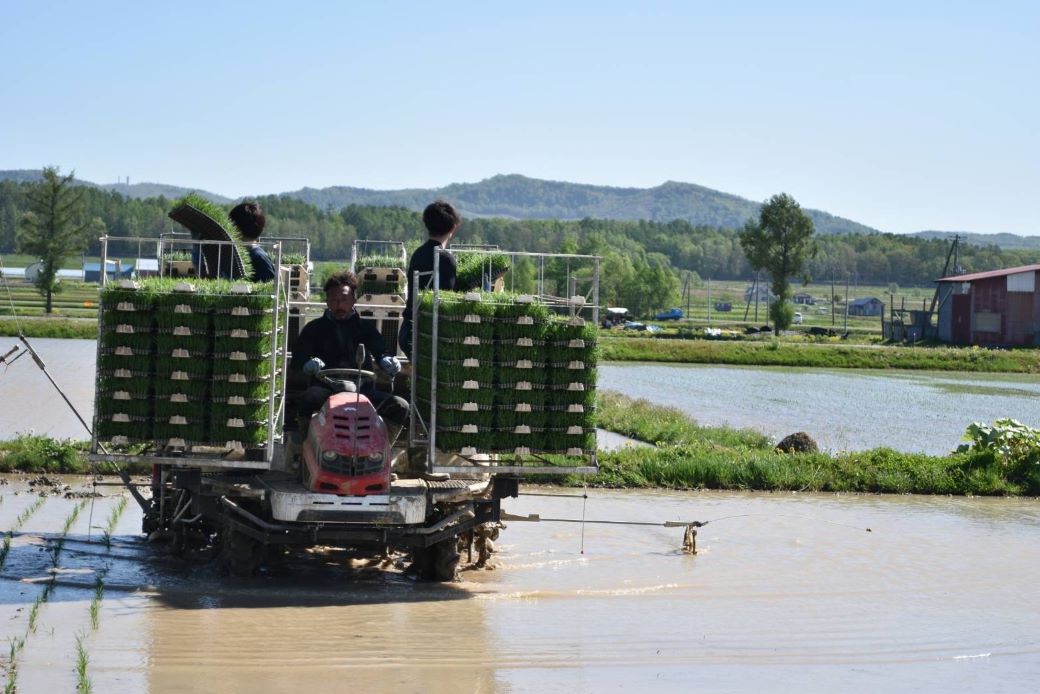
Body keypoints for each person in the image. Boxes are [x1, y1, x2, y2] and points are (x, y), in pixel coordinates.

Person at [291, 270, 407, 433]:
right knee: (307, 399)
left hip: (362, 390)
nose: (339, 304)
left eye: (344, 299)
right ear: (327, 302)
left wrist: (387, 360)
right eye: (334, 300)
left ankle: (382, 448)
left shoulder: (365, 328)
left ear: (353, 300)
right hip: (325, 390)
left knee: (400, 406)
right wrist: (307, 365)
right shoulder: (314, 329)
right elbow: (297, 361)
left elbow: (381, 351)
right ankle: (303, 444)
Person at [397, 200, 461, 357]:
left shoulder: (418, 253)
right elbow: (447, 301)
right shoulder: (445, 258)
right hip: (427, 333)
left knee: (420, 379)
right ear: (453, 228)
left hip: (408, 329)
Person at [229, 201, 276, 282]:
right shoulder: (247, 255)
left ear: (237, 229)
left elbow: (269, 290)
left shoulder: (259, 258)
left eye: (230, 225)